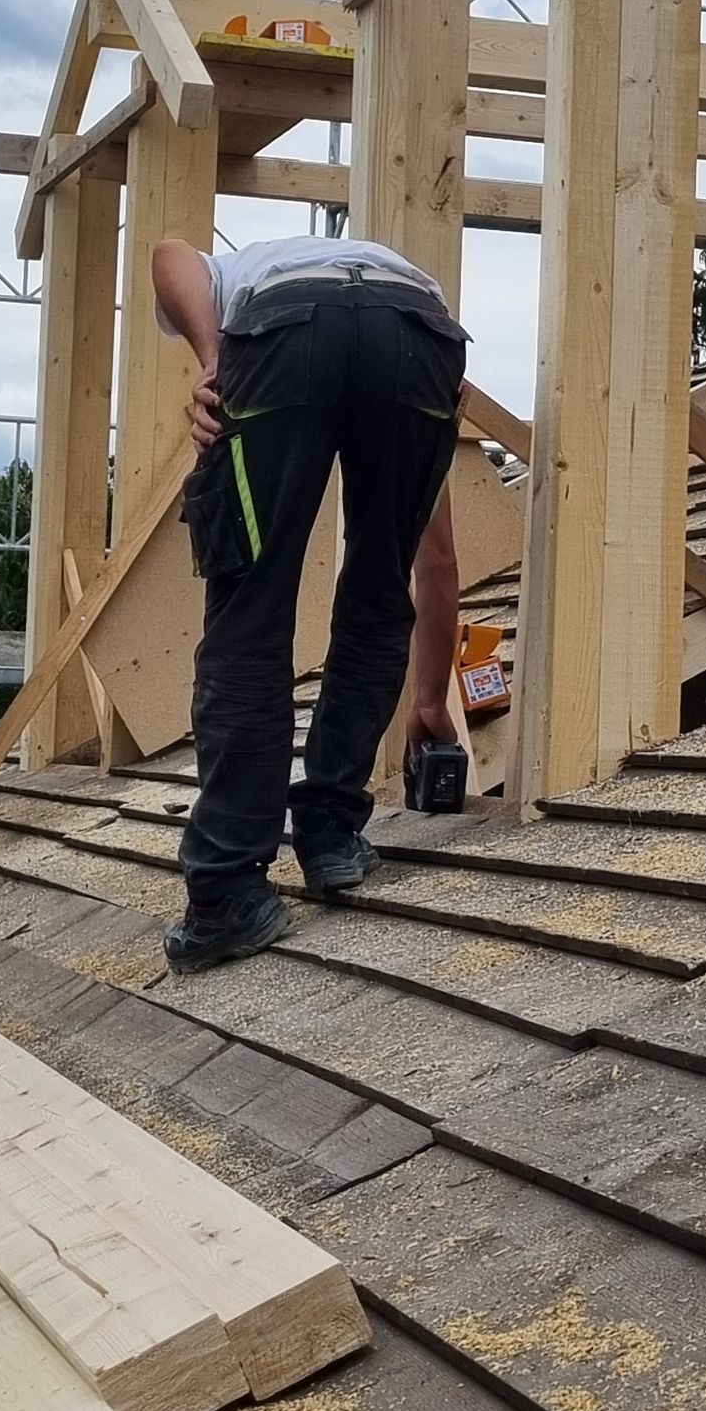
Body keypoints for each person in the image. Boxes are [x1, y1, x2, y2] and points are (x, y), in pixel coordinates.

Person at [150, 231, 468, 975]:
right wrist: (428, 699)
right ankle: (329, 837)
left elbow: (168, 252)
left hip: (281, 331)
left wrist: (214, 360)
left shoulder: (243, 273)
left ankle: (228, 894)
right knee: (378, 585)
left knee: (250, 609)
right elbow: (439, 562)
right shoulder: (402, 279)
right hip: (419, 337)